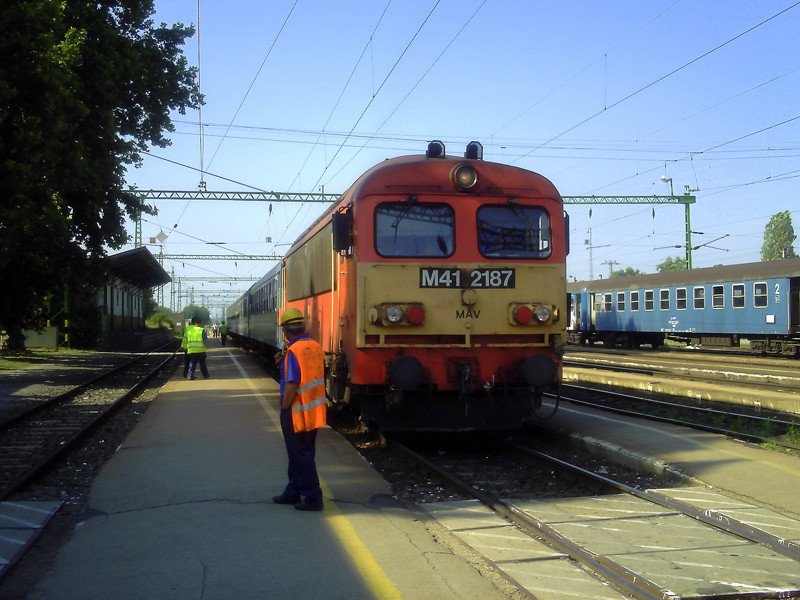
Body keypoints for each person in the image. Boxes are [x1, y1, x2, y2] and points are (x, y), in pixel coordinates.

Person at [272, 307, 327, 511]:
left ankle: (313, 498)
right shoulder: (315, 346)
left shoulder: (294, 351)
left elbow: (293, 383)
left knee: (301, 455)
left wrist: (285, 407)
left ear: (286, 331)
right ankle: (293, 491)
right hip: (313, 409)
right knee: (302, 453)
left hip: (296, 411)